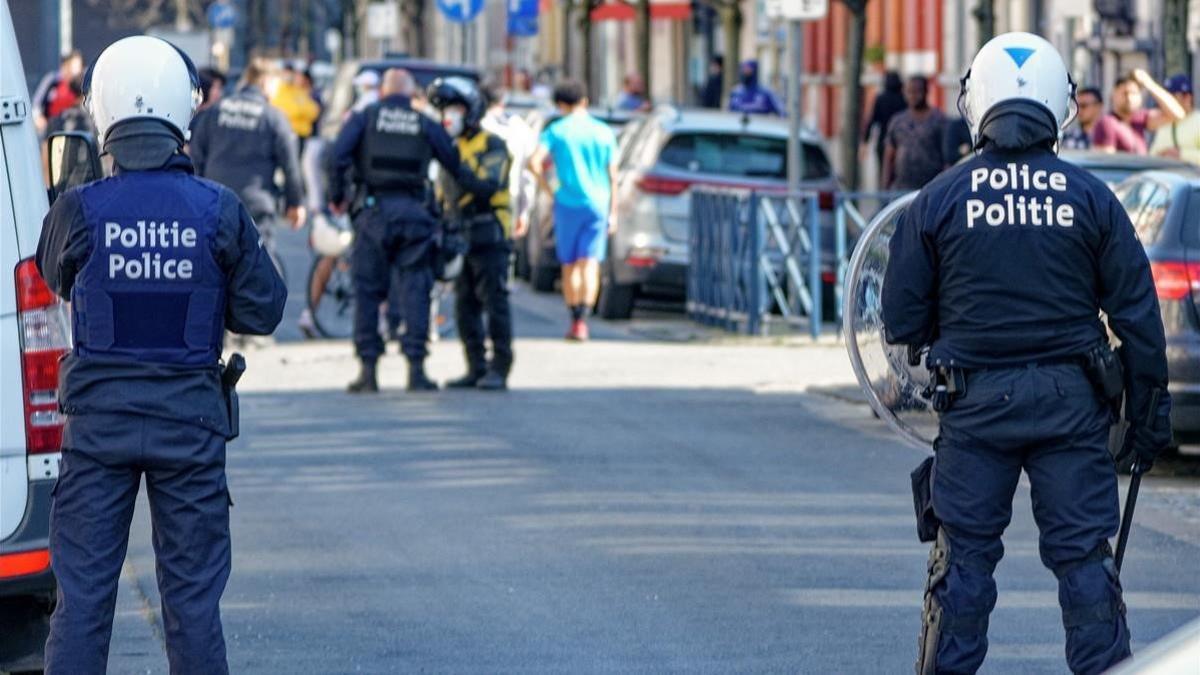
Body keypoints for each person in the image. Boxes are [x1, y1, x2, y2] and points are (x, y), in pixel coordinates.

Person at [881, 32, 1171, 675]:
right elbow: (1139, 317)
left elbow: (899, 318)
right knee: (1085, 566)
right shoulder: (1091, 198)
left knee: (962, 569)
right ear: (1057, 105)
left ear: (976, 100)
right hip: (1072, 408)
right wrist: (1149, 415)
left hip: (975, 408)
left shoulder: (939, 199)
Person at [35, 36, 287, 674]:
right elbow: (264, 309)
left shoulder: (81, 207)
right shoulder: (218, 209)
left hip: (98, 430)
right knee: (193, 604)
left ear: (104, 114)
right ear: (183, 112)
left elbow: (53, 277)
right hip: (190, 426)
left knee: (83, 602)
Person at [329, 68, 484, 392]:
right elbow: (453, 162)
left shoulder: (365, 118)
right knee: (415, 289)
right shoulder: (424, 122)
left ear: (384, 92)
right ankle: (416, 370)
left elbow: (337, 156)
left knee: (368, 291)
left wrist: (338, 197)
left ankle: (368, 371)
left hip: (373, 213)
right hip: (415, 215)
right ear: (412, 94)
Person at [429, 77, 515, 390]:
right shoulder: (451, 146)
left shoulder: (492, 144)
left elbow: (486, 186)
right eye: (444, 111)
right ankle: (475, 366)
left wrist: (454, 166)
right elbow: (442, 194)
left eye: (454, 109)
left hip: (489, 232)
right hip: (459, 234)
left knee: (494, 302)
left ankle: (500, 367)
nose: (448, 117)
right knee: (464, 305)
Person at [527, 80, 619, 341]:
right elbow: (613, 175)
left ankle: (574, 319)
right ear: (585, 102)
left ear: (560, 105)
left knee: (569, 265)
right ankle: (585, 318)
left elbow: (534, 163)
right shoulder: (603, 132)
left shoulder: (557, 130)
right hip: (598, 202)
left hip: (566, 202)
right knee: (590, 262)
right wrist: (614, 211)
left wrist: (550, 189)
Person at [190, 58, 306, 235]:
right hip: (256, 207)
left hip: (214, 202)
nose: (277, 91)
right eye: (277, 85)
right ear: (266, 81)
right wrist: (295, 203)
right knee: (258, 260)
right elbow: (290, 165)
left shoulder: (215, 111)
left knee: (216, 259)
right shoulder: (273, 117)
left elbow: (196, 157)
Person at [1092, 70, 1185, 154]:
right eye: (1125, 93)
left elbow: (1177, 114)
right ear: (1114, 94)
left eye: (1134, 93)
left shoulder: (1139, 119)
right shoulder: (1108, 123)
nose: (1129, 98)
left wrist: (1148, 83)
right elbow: (1106, 163)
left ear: (1140, 97)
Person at [882, 75, 945, 190]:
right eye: (909, 92)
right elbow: (889, 156)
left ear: (926, 92)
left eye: (917, 91)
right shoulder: (897, 121)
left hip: (931, 188)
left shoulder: (939, 120)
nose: (913, 96)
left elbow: (947, 157)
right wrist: (885, 187)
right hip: (901, 189)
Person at [861, 71, 907, 179]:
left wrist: (865, 142)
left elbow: (871, 121)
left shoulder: (880, 99)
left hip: (883, 140)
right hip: (901, 141)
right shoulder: (903, 100)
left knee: (884, 171)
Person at [1149, 74, 1200, 163]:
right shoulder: (1164, 122)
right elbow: (1152, 154)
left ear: (1187, 98)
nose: (1166, 102)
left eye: (1171, 97)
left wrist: (1182, 154)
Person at [271, 65, 322, 153]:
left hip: (304, 135)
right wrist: (301, 111)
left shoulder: (299, 90)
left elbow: (314, 111)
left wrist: (300, 111)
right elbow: (287, 111)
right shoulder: (278, 90)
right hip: (288, 134)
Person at [32, 50, 85, 135]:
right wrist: (38, 118)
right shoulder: (53, 81)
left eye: (79, 67)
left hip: (74, 128)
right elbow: (37, 104)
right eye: (73, 66)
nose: (77, 71)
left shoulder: (82, 83)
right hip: (52, 128)